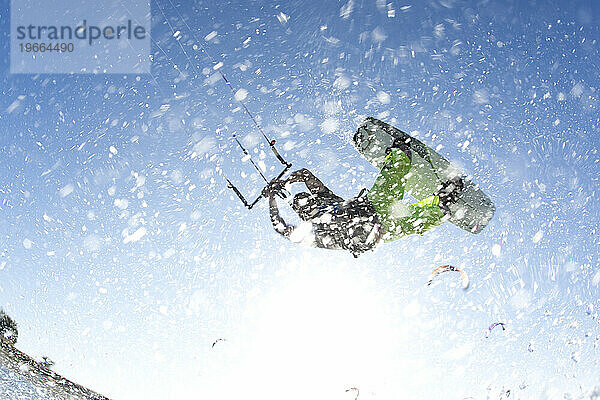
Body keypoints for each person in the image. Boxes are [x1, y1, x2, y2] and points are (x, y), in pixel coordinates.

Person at [262, 124, 464, 257]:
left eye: (307, 200)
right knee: (413, 222)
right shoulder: (314, 233)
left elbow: (305, 175)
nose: (308, 206)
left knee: (391, 178)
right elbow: (281, 228)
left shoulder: (325, 199)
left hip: (373, 205)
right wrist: (271, 200)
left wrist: (285, 183)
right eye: (303, 208)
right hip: (376, 232)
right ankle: (443, 203)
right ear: (301, 214)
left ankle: (401, 152)